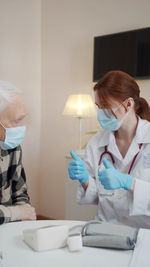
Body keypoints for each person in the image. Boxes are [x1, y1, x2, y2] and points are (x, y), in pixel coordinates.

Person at [68, 70, 150, 229]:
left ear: (128, 104)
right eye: (98, 106)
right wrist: (85, 180)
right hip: (106, 228)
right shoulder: (97, 143)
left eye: (106, 106)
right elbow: (95, 196)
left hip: (144, 232)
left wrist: (129, 183)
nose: (101, 113)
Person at [0, 80, 36, 224]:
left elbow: (19, 191)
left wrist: (25, 212)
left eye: (23, 119)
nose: (22, 127)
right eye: (16, 121)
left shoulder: (13, 146)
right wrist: (16, 212)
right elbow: (17, 212)